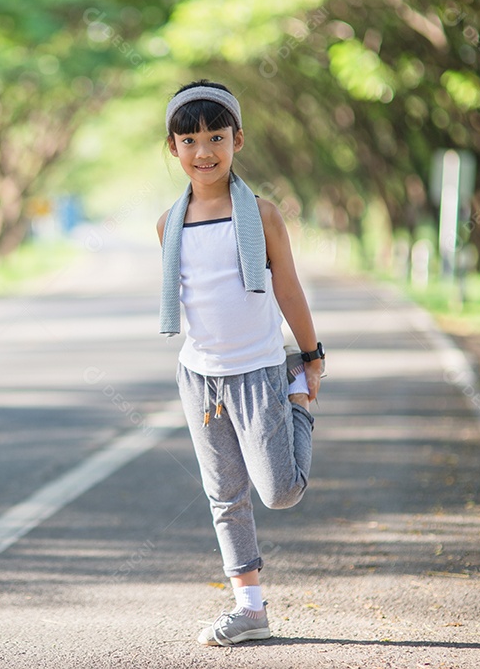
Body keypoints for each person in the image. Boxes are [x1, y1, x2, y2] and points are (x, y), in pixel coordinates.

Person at [156, 80, 324, 646]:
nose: (204, 150)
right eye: (189, 139)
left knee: (279, 491)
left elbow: (289, 289)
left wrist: (309, 358)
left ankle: (296, 401)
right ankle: (250, 608)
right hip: (200, 376)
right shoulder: (168, 224)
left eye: (216, 136)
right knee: (224, 493)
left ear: (237, 140)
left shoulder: (262, 214)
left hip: (260, 369)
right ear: (173, 148)